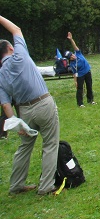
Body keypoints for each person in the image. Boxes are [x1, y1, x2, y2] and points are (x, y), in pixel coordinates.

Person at [0, 15, 60, 195]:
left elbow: (5, 104)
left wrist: (17, 123)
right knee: (50, 144)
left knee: (24, 147)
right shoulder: (20, 55)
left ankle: (16, 185)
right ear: (11, 47)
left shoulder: (1, 75)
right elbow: (16, 29)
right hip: (43, 103)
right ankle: (46, 186)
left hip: (24, 111)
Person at [65, 32, 96, 108]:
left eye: (72, 54)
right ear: (69, 59)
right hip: (80, 75)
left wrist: (71, 39)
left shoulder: (78, 54)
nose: (73, 56)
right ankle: (80, 103)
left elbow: (75, 46)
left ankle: (91, 100)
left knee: (89, 86)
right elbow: (75, 73)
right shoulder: (72, 64)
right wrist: (75, 81)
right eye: (71, 57)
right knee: (80, 88)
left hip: (87, 71)